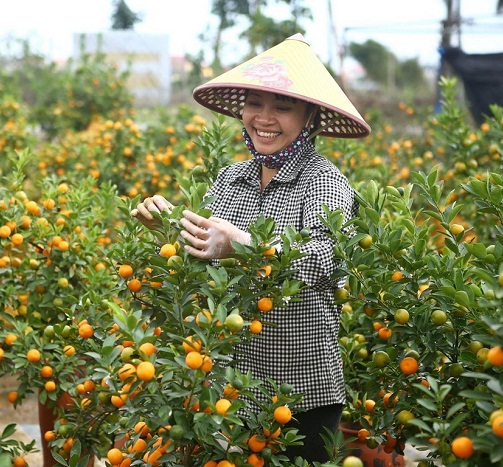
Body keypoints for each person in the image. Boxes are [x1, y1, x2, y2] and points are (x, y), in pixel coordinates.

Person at [132, 34, 370, 463]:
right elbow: (205, 256)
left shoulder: (324, 182)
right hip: (232, 385)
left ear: (310, 116)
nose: (264, 118)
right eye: (255, 103)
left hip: (301, 393)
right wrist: (168, 229)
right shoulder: (230, 178)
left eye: (282, 106)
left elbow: (323, 257)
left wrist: (246, 245)